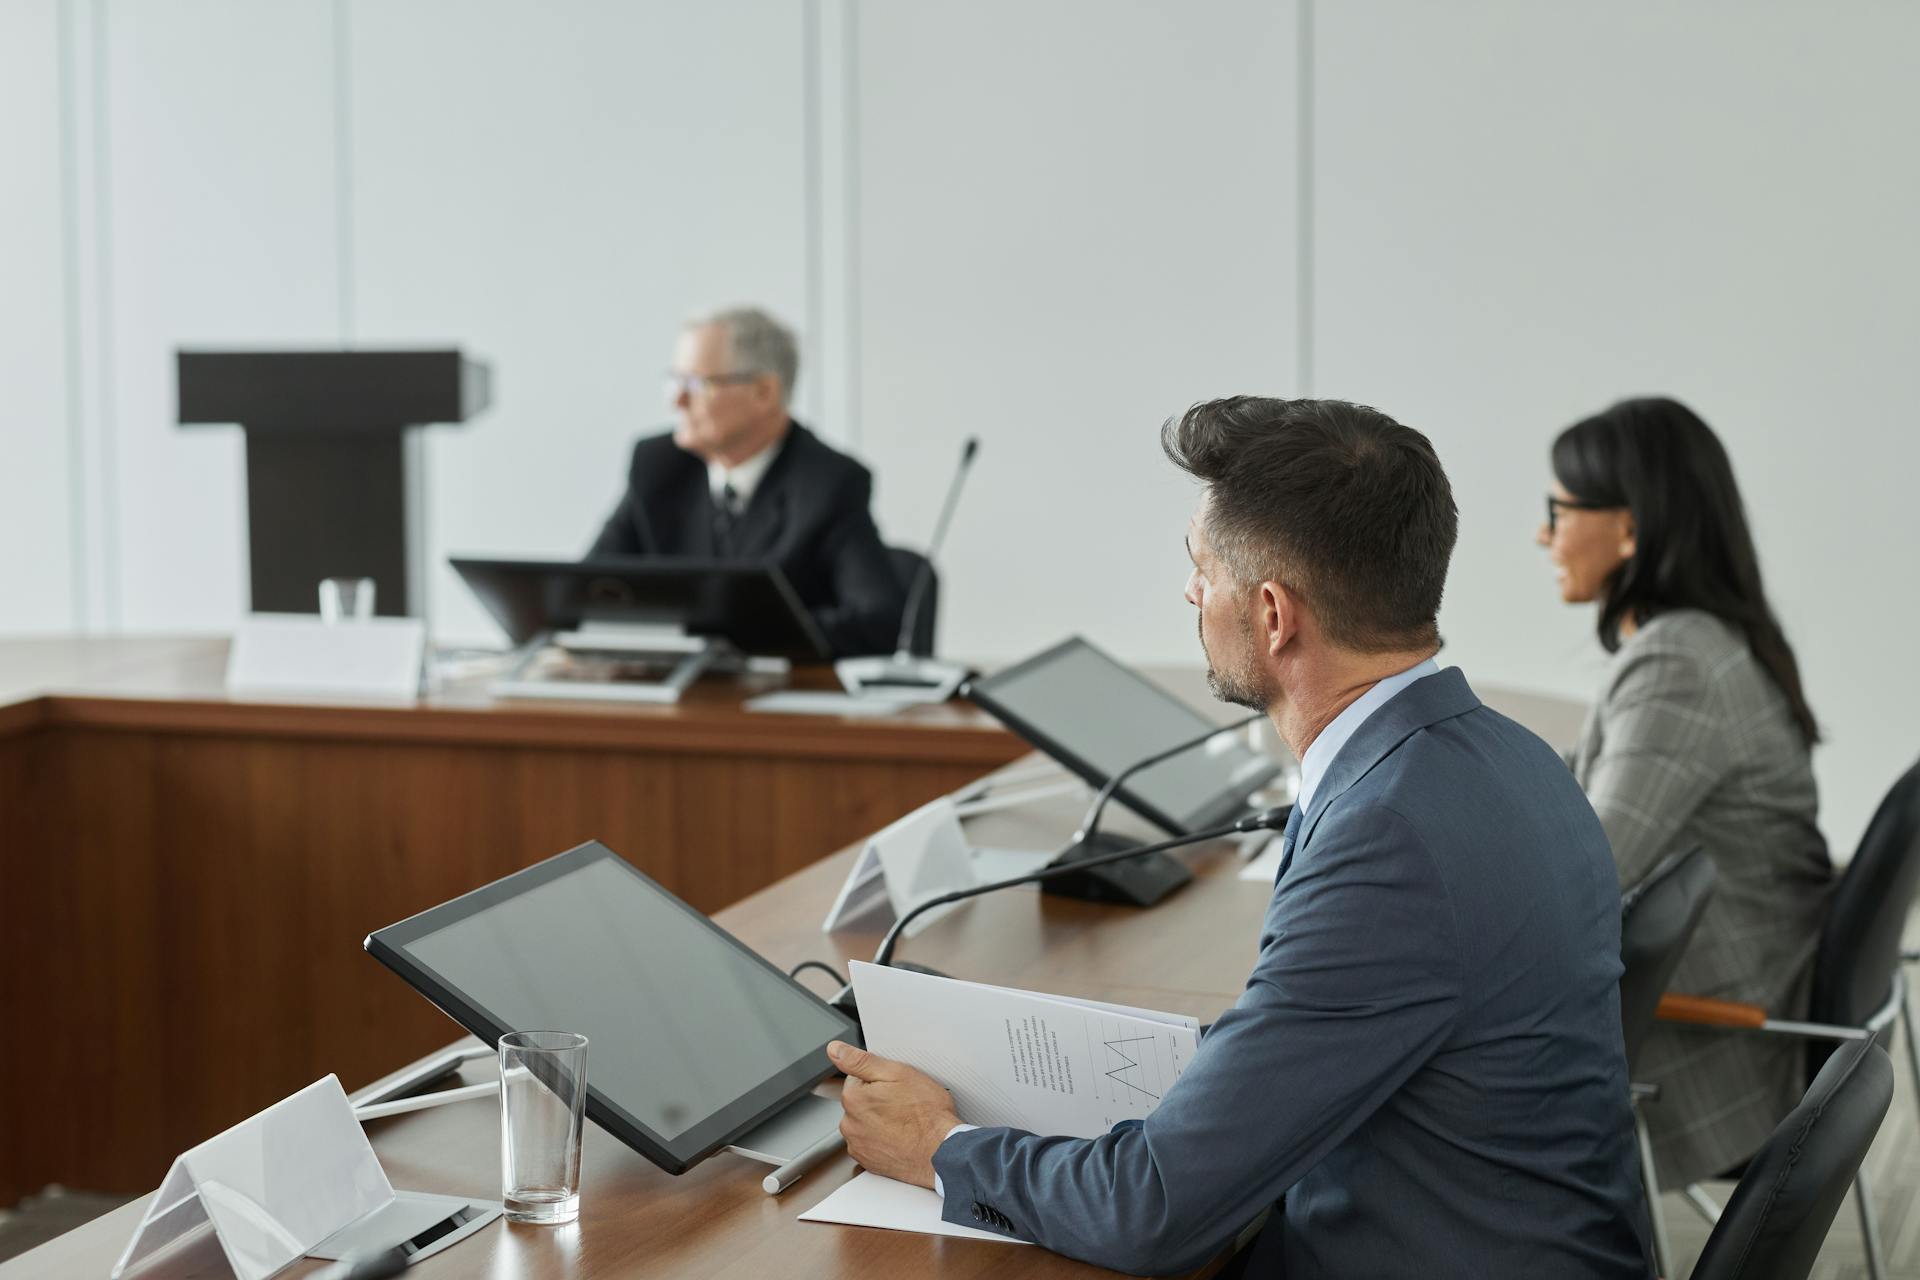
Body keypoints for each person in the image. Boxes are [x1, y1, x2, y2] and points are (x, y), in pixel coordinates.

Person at [830, 397, 1651, 1277]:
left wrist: (940, 1146)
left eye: (1201, 567)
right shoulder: (1503, 756)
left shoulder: (1390, 840)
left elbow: (1150, 1213)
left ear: (1271, 614)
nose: (1190, 592)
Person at [1540, 396, 1832, 1189]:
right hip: (1750, 987)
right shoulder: (1701, 638)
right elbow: (1576, 780)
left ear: (1630, 527)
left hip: (1717, 1049)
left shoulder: (1678, 663)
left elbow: (1587, 870)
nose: (1544, 535)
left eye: (1558, 511)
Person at [587, 306, 905, 657]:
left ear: (764, 392)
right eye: (675, 381)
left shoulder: (829, 485)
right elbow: (582, 594)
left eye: (697, 384)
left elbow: (878, 622)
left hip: (776, 700)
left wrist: (736, 641)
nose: (678, 400)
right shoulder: (657, 466)